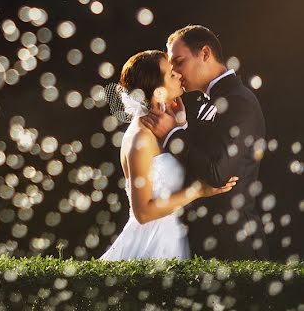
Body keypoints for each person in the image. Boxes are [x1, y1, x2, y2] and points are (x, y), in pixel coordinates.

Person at [140, 25, 268, 259]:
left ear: (205, 53)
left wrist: (172, 134)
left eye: (179, 62)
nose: (176, 73)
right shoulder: (205, 104)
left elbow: (217, 175)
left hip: (234, 247)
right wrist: (182, 126)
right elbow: (198, 159)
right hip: (204, 245)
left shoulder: (240, 102)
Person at [101, 50, 237, 260]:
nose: (179, 75)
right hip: (152, 242)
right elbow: (143, 213)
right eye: (171, 74)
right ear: (157, 90)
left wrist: (180, 126)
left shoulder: (162, 126)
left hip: (171, 234)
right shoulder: (141, 138)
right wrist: (198, 191)